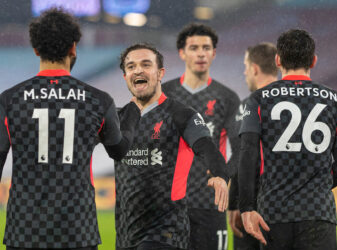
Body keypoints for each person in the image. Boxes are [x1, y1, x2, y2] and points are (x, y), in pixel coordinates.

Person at [0, 8, 141, 250]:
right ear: (73, 48)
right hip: (78, 233)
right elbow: (120, 151)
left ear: (35, 49)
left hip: (24, 234)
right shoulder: (98, 100)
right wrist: (133, 113)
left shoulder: (9, 100)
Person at [238, 29, 337, 250]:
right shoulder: (335, 101)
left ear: (278, 60)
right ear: (313, 60)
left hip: (273, 213)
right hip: (318, 213)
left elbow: (248, 156)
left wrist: (246, 207)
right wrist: (317, 185)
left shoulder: (258, 100)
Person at [115, 43, 230, 250]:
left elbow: (207, 148)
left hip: (166, 232)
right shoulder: (118, 118)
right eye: (131, 67)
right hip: (126, 234)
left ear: (160, 73)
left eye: (146, 64)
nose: (138, 70)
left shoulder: (181, 115)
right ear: (125, 77)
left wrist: (220, 174)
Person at [162, 23, 240, 250]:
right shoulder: (165, 95)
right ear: (182, 53)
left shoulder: (227, 98)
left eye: (206, 48)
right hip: (169, 205)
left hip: (210, 205)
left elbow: (240, 149)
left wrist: (223, 175)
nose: (200, 53)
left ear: (214, 53)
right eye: (194, 47)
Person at [228, 42, 278, 250]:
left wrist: (235, 203)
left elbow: (242, 159)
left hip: (249, 205)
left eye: (246, 66)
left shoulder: (246, 106)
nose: (245, 72)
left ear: (255, 68)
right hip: (286, 205)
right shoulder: (294, 103)